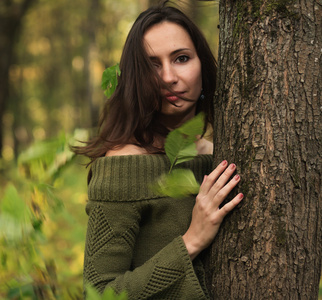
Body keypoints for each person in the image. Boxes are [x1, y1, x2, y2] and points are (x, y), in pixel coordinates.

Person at [74, 1, 244, 299]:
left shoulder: (223, 153)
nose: (168, 77)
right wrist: (191, 241)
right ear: (135, 78)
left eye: (181, 58)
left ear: (202, 63)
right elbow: (99, 293)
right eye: (152, 64)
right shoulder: (121, 166)